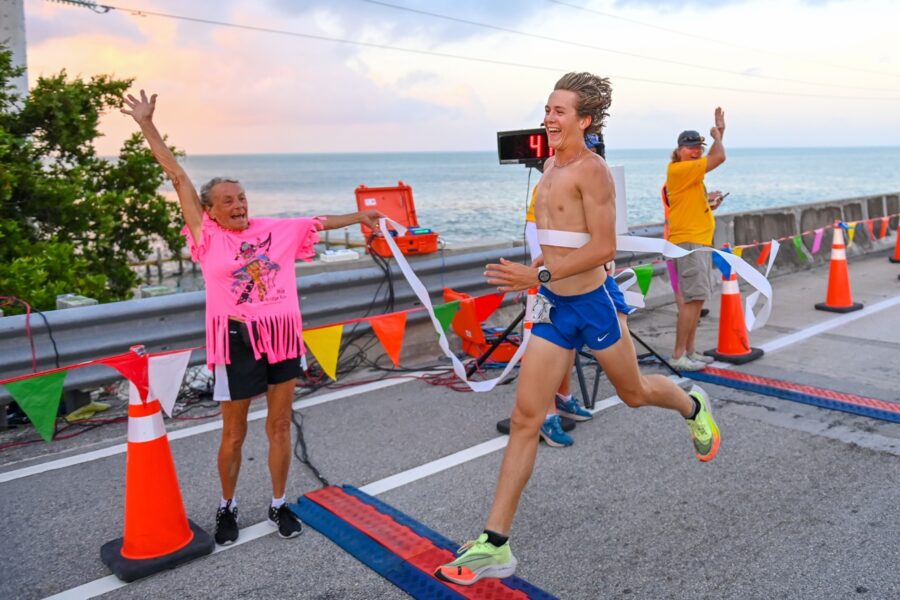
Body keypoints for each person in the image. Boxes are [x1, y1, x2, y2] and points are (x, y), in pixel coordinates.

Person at [435, 72, 720, 586]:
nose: (549, 117)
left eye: (560, 111)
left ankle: (690, 404)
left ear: (584, 121)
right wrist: (540, 267)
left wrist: (537, 273)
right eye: (547, 108)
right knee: (526, 418)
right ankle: (495, 544)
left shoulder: (594, 171)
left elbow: (604, 247)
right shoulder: (547, 165)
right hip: (553, 308)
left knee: (632, 393)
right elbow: (561, 237)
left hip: (591, 303)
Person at [122, 90, 380, 546]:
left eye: (242, 198)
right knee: (234, 433)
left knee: (279, 426)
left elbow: (320, 221)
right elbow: (177, 175)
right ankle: (228, 505)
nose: (239, 205)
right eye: (228, 201)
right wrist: (146, 125)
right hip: (237, 342)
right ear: (211, 210)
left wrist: (365, 214)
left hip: (282, 339)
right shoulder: (206, 237)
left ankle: (279, 503)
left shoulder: (274, 230)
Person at [522, 133, 632, 448]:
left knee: (566, 342)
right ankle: (545, 413)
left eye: (595, 151)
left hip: (575, 275)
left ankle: (562, 396)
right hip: (544, 277)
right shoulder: (553, 175)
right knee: (540, 341)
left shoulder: (588, 174)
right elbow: (551, 236)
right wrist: (544, 268)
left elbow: (593, 235)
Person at [664, 110, 727, 371]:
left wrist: (710, 205)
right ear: (678, 151)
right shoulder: (680, 170)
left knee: (697, 300)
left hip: (697, 241)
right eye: (689, 147)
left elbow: (713, 156)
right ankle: (679, 354)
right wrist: (717, 135)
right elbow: (719, 156)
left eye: (698, 147)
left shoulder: (692, 175)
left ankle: (690, 351)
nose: (694, 151)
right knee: (691, 302)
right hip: (688, 244)